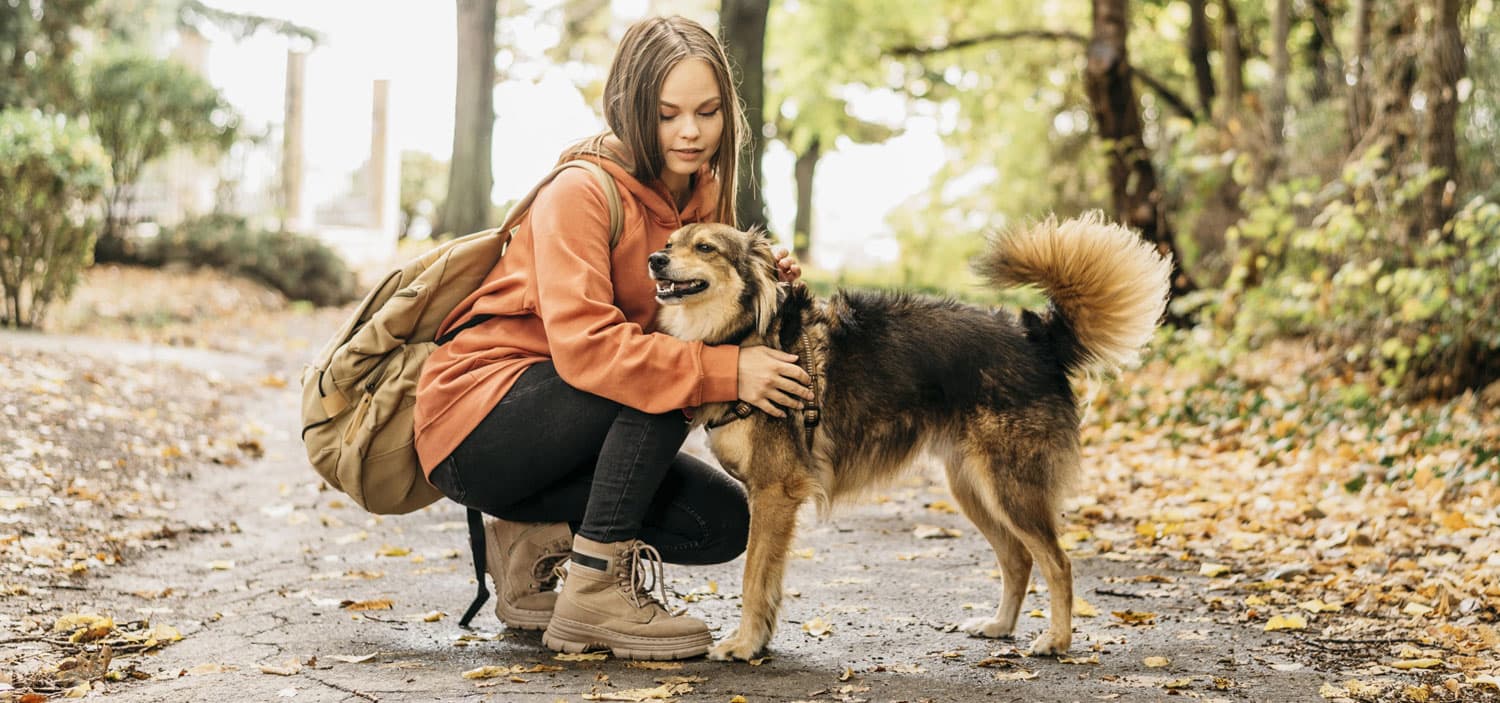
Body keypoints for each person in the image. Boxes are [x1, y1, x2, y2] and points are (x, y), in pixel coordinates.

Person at [413, 15, 813, 660]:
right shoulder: (580, 191)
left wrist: (761, 283)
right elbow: (591, 350)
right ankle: (594, 593)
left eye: (708, 112)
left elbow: (699, 320)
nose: (690, 131)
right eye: (667, 114)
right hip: (482, 424)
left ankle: (529, 541)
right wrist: (728, 371)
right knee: (664, 380)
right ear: (630, 108)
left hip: (573, 428)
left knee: (719, 523)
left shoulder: (703, 192)